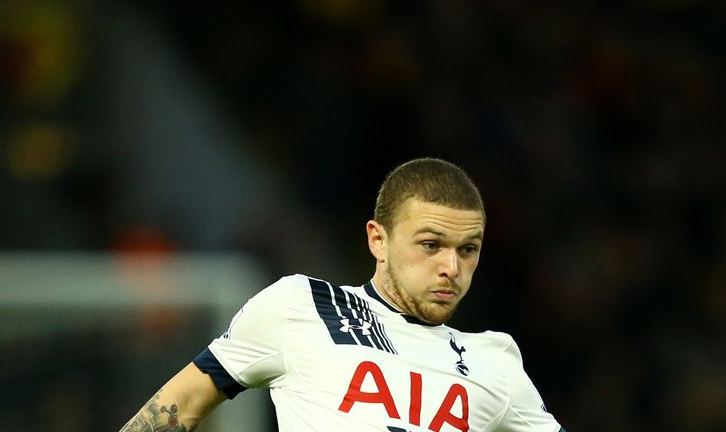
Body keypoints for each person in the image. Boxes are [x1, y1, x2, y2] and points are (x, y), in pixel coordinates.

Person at [119, 157, 566, 432]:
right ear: (378, 240)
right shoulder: (299, 306)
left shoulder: (496, 363)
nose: (451, 267)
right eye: (431, 245)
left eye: (468, 250)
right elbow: (185, 402)